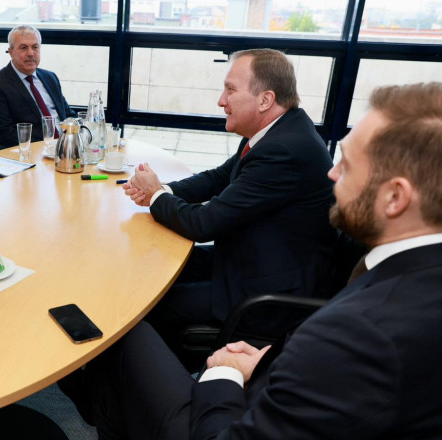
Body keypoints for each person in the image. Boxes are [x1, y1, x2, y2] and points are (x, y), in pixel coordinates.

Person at [87, 81, 442, 439]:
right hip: (272, 350)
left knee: (120, 326)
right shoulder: (416, 279)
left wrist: (225, 372)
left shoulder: (360, 333)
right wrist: (266, 362)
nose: (331, 173)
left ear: (395, 197)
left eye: (347, 165)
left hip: (225, 409)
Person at [125, 49, 336, 356]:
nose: (221, 101)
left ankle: (148, 378)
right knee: (154, 266)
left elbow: (203, 224)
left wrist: (156, 196)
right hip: (249, 258)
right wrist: (163, 190)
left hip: (268, 292)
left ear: (265, 100)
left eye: (230, 90)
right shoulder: (277, 130)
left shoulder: (284, 150)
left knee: (147, 305)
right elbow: (218, 177)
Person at [0, 24, 76, 149]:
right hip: (33, 151)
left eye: (35, 47)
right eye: (23, 48)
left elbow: (68, 115)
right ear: (11, 52)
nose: (31, 53)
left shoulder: (50, 77)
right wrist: (49, 147)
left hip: (67, 146)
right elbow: (7, 134)